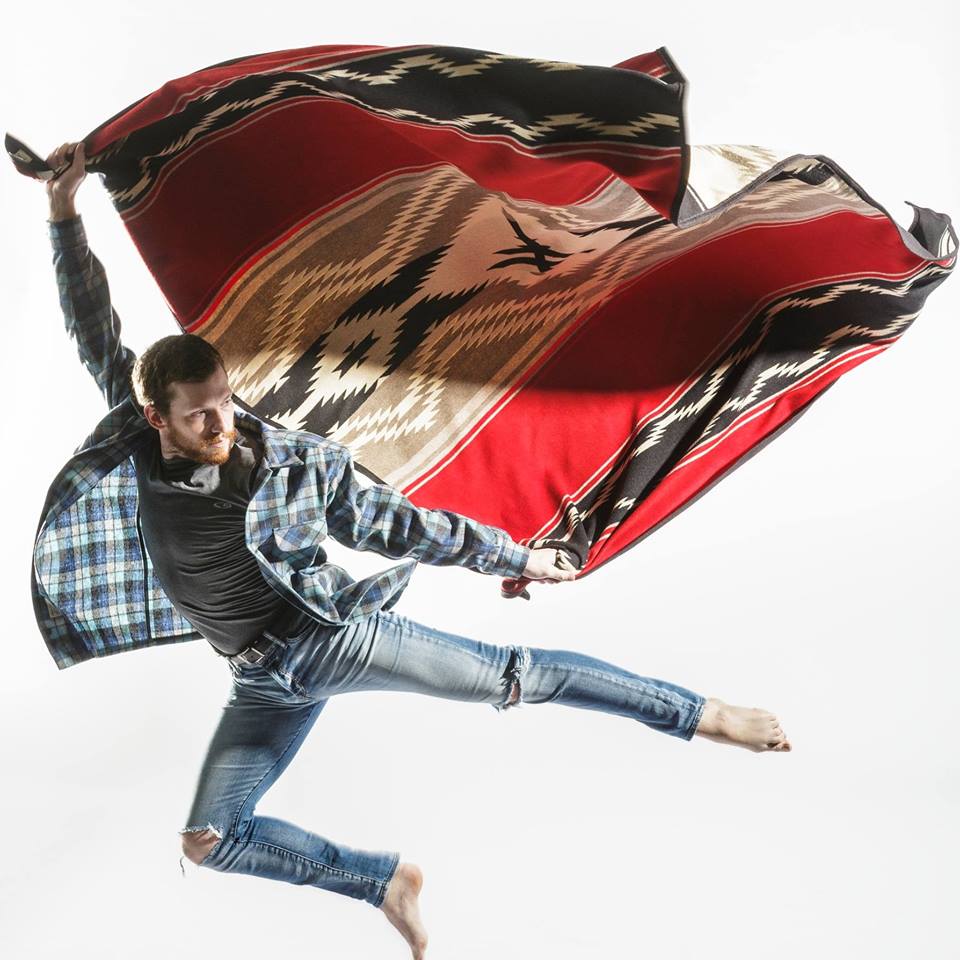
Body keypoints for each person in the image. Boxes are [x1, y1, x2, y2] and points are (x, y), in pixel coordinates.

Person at [32, 140, 791, 960]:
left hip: (332, 640)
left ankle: (700, 715)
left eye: (224, 403)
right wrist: (63, 209)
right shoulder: (136, 444)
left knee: (515, 678)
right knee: (211, 840)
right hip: (260, 681)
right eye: (201, 416)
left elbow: (400, 525)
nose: (224, 424)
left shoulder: (292, 460)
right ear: (158, 419)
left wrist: (517, 558)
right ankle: (384, 883)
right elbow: (90, 325)